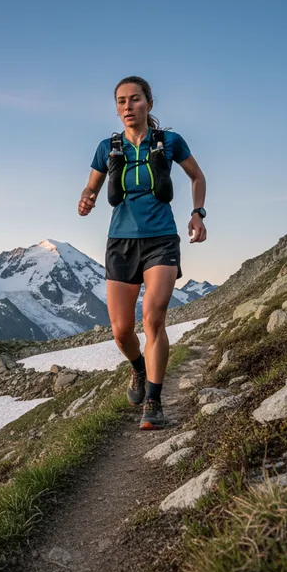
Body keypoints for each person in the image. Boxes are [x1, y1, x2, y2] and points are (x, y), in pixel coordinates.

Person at [78, 76, 207, 429]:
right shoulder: (108, 147)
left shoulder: (170, 142)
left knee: (153, 318)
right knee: (121, 331)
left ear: (149, 103)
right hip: (120, 243)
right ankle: (137, 368)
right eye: (121, 101)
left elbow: (198, 177)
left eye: (134, 100)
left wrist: (197, 212)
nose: (127, 107)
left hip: (161, 238)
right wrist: (87, 198)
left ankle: (154, 399)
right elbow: (92, 185)